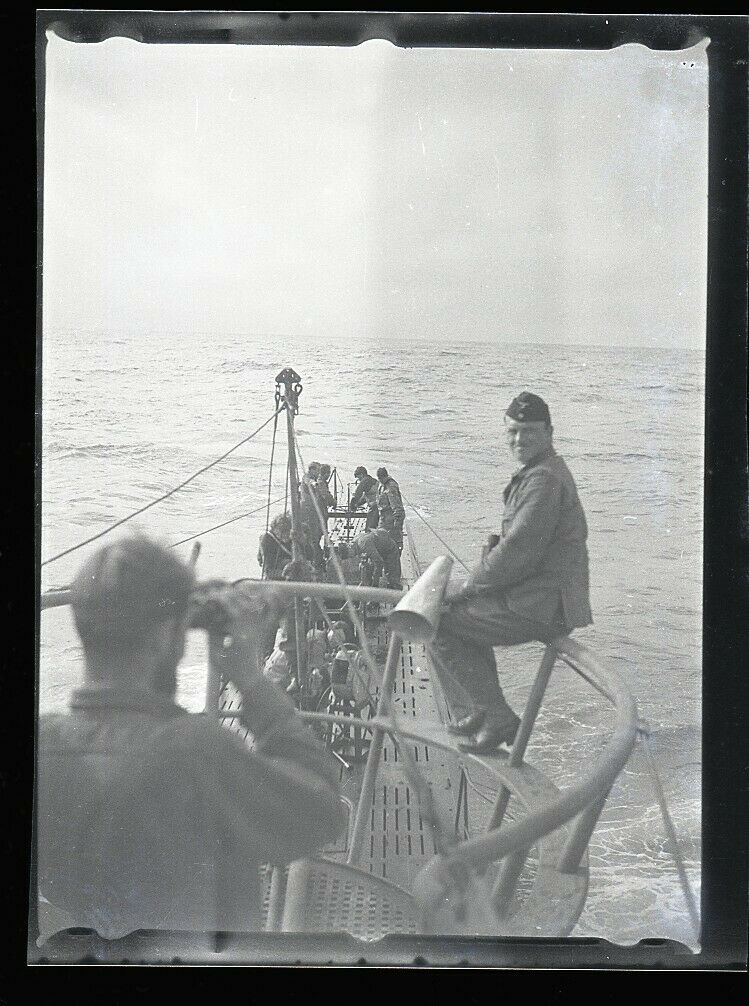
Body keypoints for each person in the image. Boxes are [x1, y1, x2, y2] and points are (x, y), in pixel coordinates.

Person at [36, 536, 344, 939]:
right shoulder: (197, 751)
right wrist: (250, 679)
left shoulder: (40, 744)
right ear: (165, 636)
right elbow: (321, 811)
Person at [428, 393, 592, 755]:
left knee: (438, 623)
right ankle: (484, 711)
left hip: (543, 606)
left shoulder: (544, 481)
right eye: (513, 431)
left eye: (529, 431)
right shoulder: (540, 472)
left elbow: (516, 552)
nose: (519, 439)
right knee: (461, 618)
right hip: (536, 597)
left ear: (549, 432)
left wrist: (464, 587)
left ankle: (497, 716)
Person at [376, 467, 406, 553]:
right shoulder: (382, 485)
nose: (380, 480)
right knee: (381, 539)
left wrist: (397, 524)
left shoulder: (391, 487)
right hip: (384, 516)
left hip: (391, 518)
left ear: (385, 477)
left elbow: (397, 507)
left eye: (381, 478)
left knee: (393, 542)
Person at [256, 512, 293, 581]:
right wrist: (287, 574)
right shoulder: (267, 540)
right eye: (282, 531)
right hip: (277, 576)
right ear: (274, 529)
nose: (286, 534)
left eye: (288, 531)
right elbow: (268, 571)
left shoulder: (294, 536)